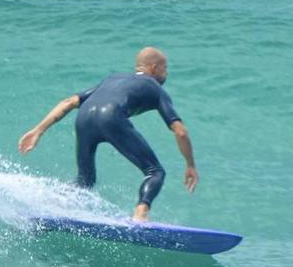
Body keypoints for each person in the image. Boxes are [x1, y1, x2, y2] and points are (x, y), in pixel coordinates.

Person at [18, 46, 198, 221]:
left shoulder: (113, 78)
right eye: (165, 69)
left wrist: (38, 130)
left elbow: (69, 102)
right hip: (111, 117)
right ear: (154, 68)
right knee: (155, 172)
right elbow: (180, 131)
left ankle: (53, 203)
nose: (166, 74)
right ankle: (140, 214)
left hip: (83, 117)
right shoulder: (156, 88)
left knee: (85, 180)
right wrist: (190, 165)